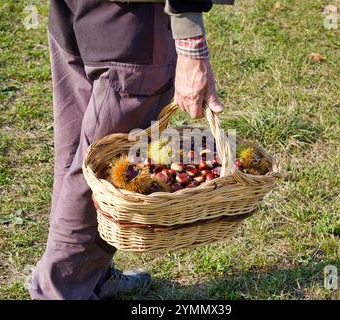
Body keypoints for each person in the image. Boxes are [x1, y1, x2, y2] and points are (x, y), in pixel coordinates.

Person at [29, 0, 233, 300]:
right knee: (106, 171)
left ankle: (88, 275)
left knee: (81, 154)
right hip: (130, 23)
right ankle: (59, 291)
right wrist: (191, 43)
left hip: (80, 10)